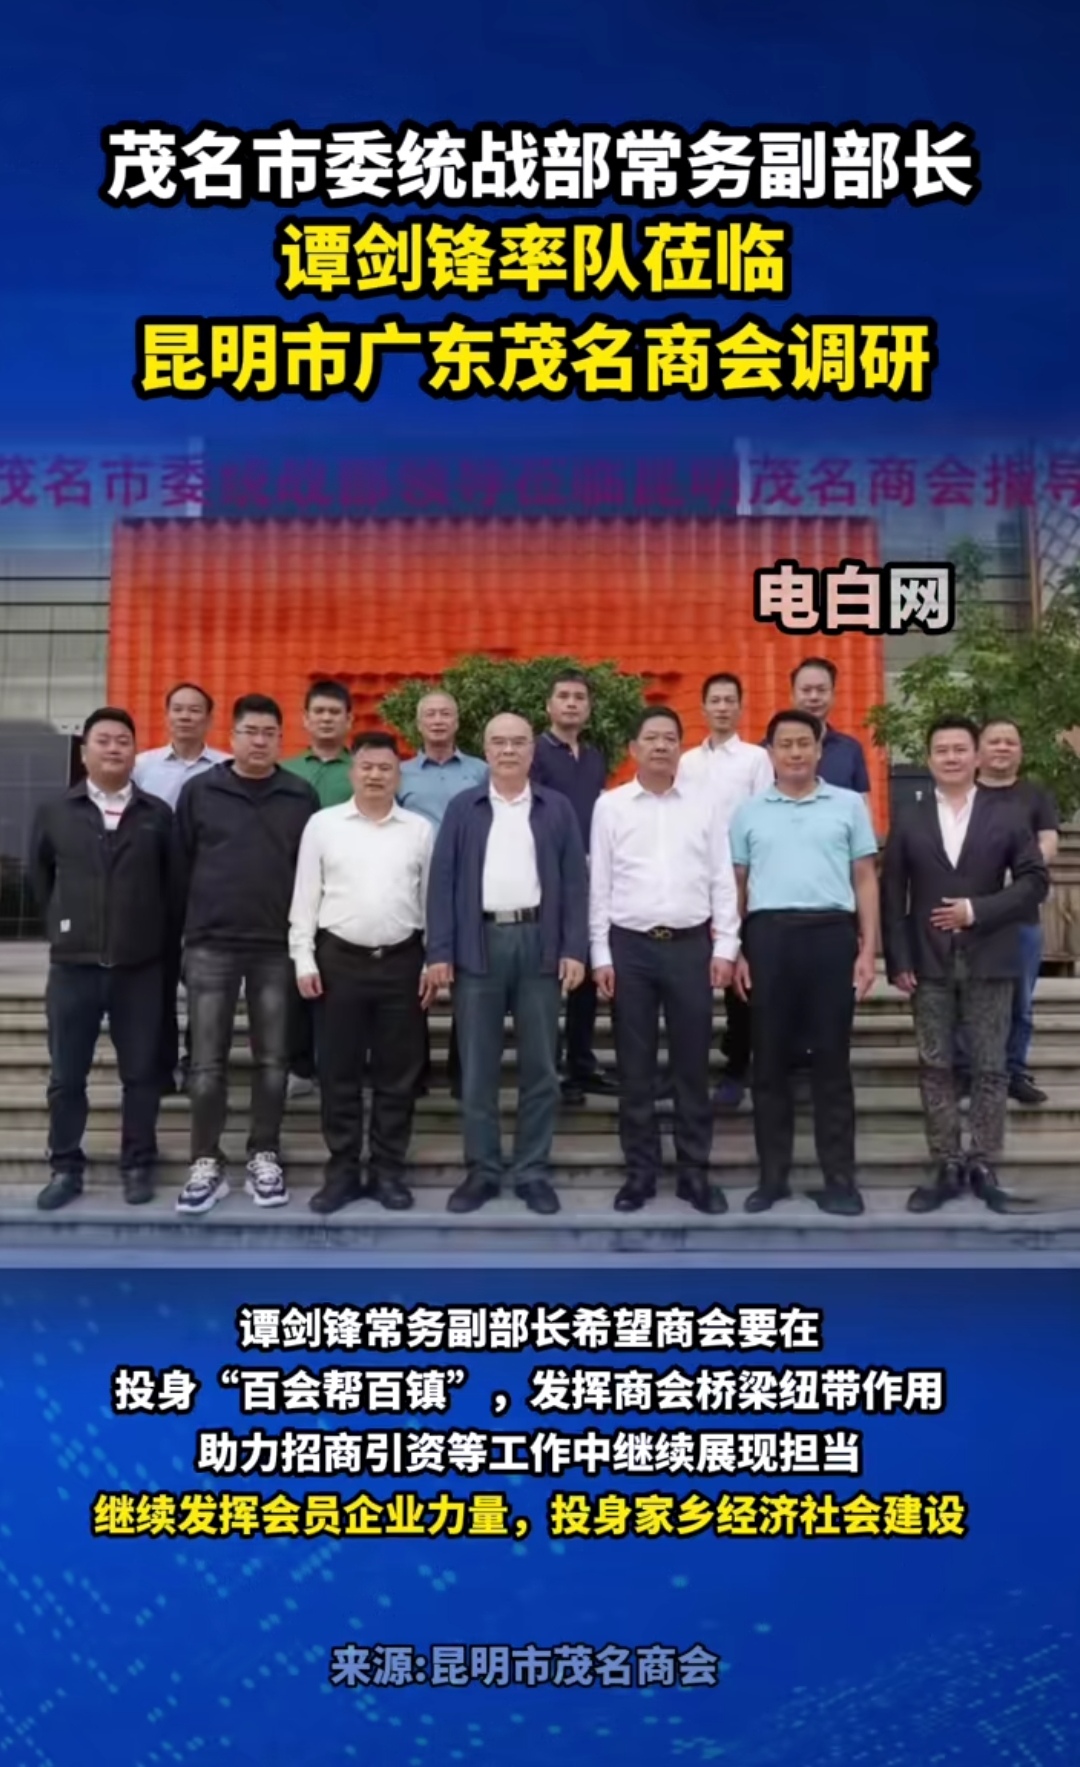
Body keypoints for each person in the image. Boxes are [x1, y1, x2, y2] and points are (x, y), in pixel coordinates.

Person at [881, 715, 1049, 1215]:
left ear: (976, 757)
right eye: (942, 750)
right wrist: (898, 958)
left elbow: (1034, 881)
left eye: (960, 749)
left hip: (991, 955)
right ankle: (948, 1162)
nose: (951, 758)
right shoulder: (909, 817)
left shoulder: (1007, 814)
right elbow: (892, 892)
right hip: (927, 962)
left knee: (991, 1066)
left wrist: (978, 910)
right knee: (935, 1065)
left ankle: (983, 1162)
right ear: (928, 759)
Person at [426, 712, 588, 1217]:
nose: (509, 750)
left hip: (540, 942)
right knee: (478, 1068)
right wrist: (440, 952)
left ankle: (533, 1170)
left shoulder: (556, 808)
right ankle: (483, 1169)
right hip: (479, 943)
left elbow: (575, 884)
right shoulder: (464, 808)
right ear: (486, 750)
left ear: (532, 751)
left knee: (541, 1066)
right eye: (499, 742)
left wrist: (574, 948)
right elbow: (442, 883)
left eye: (519, 742)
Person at [172, 695, 318, 1215]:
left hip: (275, 946)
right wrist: (183, 937)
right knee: (206, 1063)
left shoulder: (299, 795)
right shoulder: (200, 791)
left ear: (281, 739)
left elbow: (310, 874)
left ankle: (264, 1154)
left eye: (269, 733)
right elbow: (179, 866)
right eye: (250, 731)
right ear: (231, 737)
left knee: (274, 1061)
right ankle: (205, 1161)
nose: (259, 741)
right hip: (210, 943)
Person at [730, 710, 879, 1217]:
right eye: (785, 744)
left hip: (831, 936)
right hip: (768, 938)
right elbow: (737, 886)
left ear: (819, 749)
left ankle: (841, 1181)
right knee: (769, 1063)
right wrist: (739, 949)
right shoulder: (748, 812)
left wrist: (868, 948)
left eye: (803, 743)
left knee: (832, 1064)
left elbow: (865, 878)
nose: (795, 752)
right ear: (770, 753)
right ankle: (772, 1179)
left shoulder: (847, 805)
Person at [591, 707, 739, 1215]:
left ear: (680, 747)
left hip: (690, 947)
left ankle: (694, 1173)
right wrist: (600, 953)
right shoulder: (610, 807)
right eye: (651, 738)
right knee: (634, 1069)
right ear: (633, 748)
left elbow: (721, 878)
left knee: (692, 1065)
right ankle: (640, 1173)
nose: (660, 746)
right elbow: (600, 885)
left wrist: (725, 947)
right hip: (629, 949)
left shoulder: (705, 805)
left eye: (670, 738)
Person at [31, 707, 175, 1210]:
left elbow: (171, 888)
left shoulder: (157, 814)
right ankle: (65, 1166)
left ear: (135, 752)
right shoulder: (56, 811)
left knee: (141, 1075)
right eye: (104, 740)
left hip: (140, 969)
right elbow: (41, 879)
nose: (114, 749)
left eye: (123, 741)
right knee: (66, 1077)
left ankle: (137, 1163)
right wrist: (63, 931)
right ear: (85, 750)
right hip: (74, 969)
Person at [290, 733, 435, 1215]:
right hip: (338, 962)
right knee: (338, 1073)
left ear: (399, 776)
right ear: (353, 772)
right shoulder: (323, 825)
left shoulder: (419, 830)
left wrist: (432, 960)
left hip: (402, 962)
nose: (375, 775)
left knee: (398, 1074)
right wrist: (304, 958)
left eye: (385, 768)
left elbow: (430, 901)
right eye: (367, 766)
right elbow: (305, 895)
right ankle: (343, 1171)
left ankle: (389, 1170)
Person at [677, 671, 774, 1111]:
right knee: (691, 977)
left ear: (740, 706)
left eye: (729, 700)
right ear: (703, 708)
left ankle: (737, 1068)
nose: (722, 707)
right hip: (692, 878)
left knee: (739, 978)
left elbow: (763, 818)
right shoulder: (686, 762)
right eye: (714, 700)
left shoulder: (755, 759)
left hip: (740, 877)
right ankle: (688, 1070)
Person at [955, 718, 1058, 1106]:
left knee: (1020, 1000)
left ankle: (1015, 1071)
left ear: (1020, 751)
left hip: (1020, 914)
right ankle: (966, 1071)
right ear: (978, 751)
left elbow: (1048, 841)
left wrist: (1020, 870)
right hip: (969, 914)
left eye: (1010, 742)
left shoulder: (1034, 796)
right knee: (964, 994)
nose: (1002, 748)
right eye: (994, 741)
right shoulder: (962, 793)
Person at [133, 681, 227, 1095]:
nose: (186, 716)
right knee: (159, 982)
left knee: (206, 985)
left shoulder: (225, 767)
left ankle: (199, 1062)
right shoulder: (142, 767)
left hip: (209, 890)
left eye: (194, 710)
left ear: (209, 718)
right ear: (167, 714)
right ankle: (162, 1063)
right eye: (178, 709)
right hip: (154, 892)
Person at [530, 668, 618, 1105]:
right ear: (549, 706)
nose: (571, 703)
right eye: (563, 696)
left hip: (591, 879)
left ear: (589, 707)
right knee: (549, 976)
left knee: (584, 975)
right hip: (547, 878)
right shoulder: (535, 754)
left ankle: (581, 1064)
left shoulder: (596, 757)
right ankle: (550, 1070)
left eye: (579, 697)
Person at [397, 690, 488, 1097]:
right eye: (430, 714)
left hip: (470, 883)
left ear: (457, 722)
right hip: (412, 884)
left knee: (467, 974)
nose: (438, 720)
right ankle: (413, 1071)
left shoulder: (480, 771)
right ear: (418, 724)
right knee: (411, 973)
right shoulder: (401, 773)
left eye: (445, 713)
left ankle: (461, 1072)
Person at [282, 680, 356, 1098]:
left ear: (349, 719)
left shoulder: (361, 769)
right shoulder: (286, 771)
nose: (327, 719)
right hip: (294, 889)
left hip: (348, 894)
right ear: (305, 719)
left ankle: (340, 1065)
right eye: (319, 712)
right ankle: (299, 1064)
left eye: (334, 712)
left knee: (341, 985)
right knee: (297, 976)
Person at [789, 657, 872, 801]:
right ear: (792, 696)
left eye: (821, 690)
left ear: (833, 695)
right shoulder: (769, 751)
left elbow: (862, 803)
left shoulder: (850, 749)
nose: (814, 697)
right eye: (806, 690)